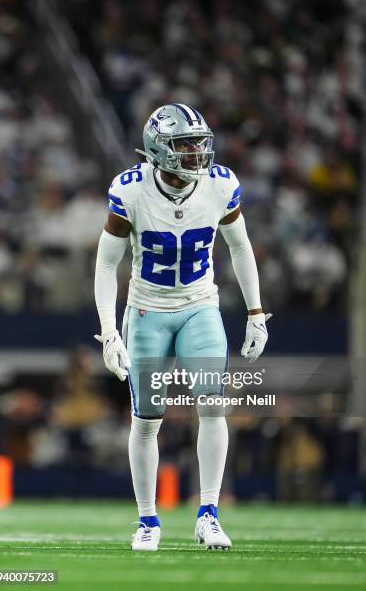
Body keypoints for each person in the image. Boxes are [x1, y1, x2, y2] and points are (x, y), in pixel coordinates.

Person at [94, 103, 270, 551]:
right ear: (158, 149)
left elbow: (241, 246)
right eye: (184, 145)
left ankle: (208, 513)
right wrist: (109, 331)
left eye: (199, 143)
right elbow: (106, 262)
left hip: (199, 306)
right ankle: (148, 521)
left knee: (214, 407)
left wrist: (255, 312)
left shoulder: (219, 185)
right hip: (148, 310)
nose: (196, 153)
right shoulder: (131, 190)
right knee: (148, 418)